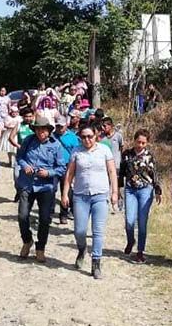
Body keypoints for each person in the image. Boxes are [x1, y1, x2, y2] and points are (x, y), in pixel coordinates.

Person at [62, 125, 118, 279]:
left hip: (100, 195)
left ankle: (96, 263)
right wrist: (65, 194)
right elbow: (70, 173)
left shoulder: (104, 150)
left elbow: (112, 172)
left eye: (90, 136)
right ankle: (81, 249)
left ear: (96, 135)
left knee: (98, 231)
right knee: (79, 230)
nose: (87, 140)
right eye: (84, 137)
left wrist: (115, 192)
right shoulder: (76, 151)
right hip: (81, 195)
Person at [16, 116, 66, 263]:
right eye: (38, 130)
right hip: (27, 184)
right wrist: (25, 165)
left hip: (46, 187)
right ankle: (27, 240)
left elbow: (62, 167)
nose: (40, 133)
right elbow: (20, 157)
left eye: (43, 130)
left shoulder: (56, 145)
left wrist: (49, 173)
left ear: (48, 131)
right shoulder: (28, 141)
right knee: (22, 216)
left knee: (45, 219)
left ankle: (40, 248)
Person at [119, 129, 162, 263]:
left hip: (145, 190)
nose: (140, 145)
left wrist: (157, 190)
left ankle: (140, 251)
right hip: (130, 190)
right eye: (138, 142)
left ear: (147, 143)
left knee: (142, 222)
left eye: (143, 143)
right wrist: (119, 188)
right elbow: (122, 172)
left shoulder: (149, 156)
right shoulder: (127, 154)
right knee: (129, 221)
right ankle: (131, 240)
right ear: (134, 140)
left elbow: (154, 174)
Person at [53, 116, 81, 224]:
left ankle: (63, 214)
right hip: (54, 166)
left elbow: (77, 152)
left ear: (66, 125)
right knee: (52, 189)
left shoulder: (73, 137)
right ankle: (49, 210)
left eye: (61, 126)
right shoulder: (51, 136)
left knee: (67, 191)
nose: (59, 128)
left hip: (67, 166)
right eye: (57, 126)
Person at [102, 117, 124, 211]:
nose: (103, 128)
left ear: (110, 126)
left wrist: (121, 160)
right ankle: (107, 202)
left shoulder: (118, 136)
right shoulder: (102, 138)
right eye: (102, 126)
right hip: (105, 165)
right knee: (106, 184)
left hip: (117, 164)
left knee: (118, 184)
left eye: (105, 125)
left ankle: (120, 203)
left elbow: (121, 147)